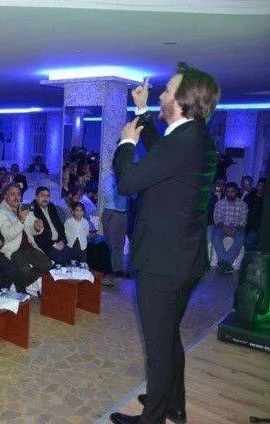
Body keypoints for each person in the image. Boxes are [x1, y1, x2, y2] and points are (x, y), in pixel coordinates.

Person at [111, 62, 220, 424]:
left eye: (168, 90)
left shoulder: (184, 141)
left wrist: (126, 142)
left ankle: (152, 418)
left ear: (182, 101)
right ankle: (172, 403)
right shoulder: (196, 137)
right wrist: (143, 112)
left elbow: (128, 181)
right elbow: (161, 153)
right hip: (184, 260)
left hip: (163, 263)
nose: (161, 94)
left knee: (159, 347)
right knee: (169, 338)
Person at [0, 184, 51, 292]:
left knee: (48, 265)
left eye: (18, 194)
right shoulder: (0, 212)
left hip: (29, 246)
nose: (16, 197)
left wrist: (37, 227)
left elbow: (33, 226)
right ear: (5, 196)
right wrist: (20, 220)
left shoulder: (24, 206)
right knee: (25, 270)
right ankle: (26, 287)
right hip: (13, 249)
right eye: (12, 194)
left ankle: (30, 285)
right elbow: (7, 235)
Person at [212, 182, 247, 273]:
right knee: (215, 237)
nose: (230, 194)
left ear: (237, 191)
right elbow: (217, 219)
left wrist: (235, 229)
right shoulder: (220, 203)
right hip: (222, 227)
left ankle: (223, 264)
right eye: (227, 192)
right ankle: (226, 265)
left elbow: (243, 222)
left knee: (241, 238)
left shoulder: (243, 204)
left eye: (232, 192)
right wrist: (225, 228)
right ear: (225, 192)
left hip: (237, 228)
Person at [31, 186, 72, 266]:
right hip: (44, 244)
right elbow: (37, 234)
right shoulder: (32, 209)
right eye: (42, 195)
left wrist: (62, 241)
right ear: (36, 197)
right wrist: (53, 244)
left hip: (57, 241)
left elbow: (59, 226)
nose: (45, 198)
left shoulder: (51, 206)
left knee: (71, 253)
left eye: (47, 196)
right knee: (60, 258)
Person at [101, 171, 129, 278]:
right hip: (112, 213)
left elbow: (134, 196)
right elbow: (108, 198)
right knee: (112, 244)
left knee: (120, 244)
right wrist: (120, 186)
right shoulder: (109, 180)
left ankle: (118, 269)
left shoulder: (127, 178)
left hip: (124, 213)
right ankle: (110, 269)